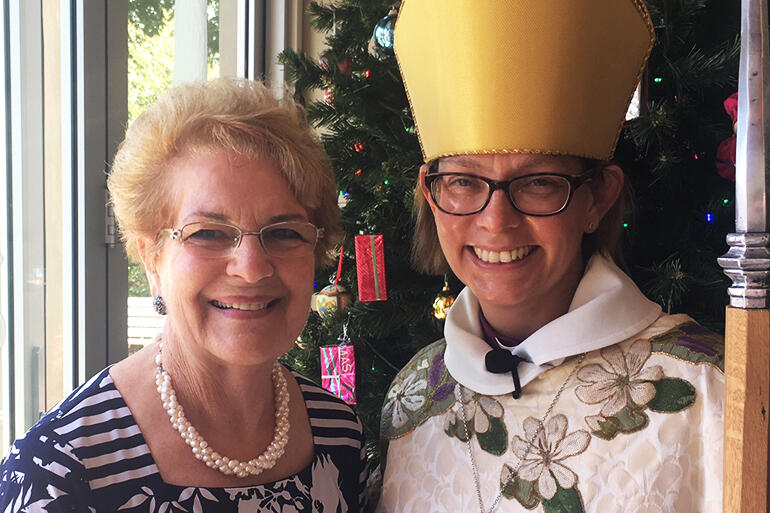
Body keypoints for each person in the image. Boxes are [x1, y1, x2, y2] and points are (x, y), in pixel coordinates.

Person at [377, 1, 724, 512]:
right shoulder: (411, 398)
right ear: (432, 197)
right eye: (464, 181)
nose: (496, 222)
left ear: (597, 199)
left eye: (539, 182)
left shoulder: (711, 391)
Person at [0, 78, 367, 512]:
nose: (251, 268)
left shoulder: (338, 433)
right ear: (152, 257)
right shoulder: (61, 470)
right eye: (208, 233)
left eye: (285, 232)